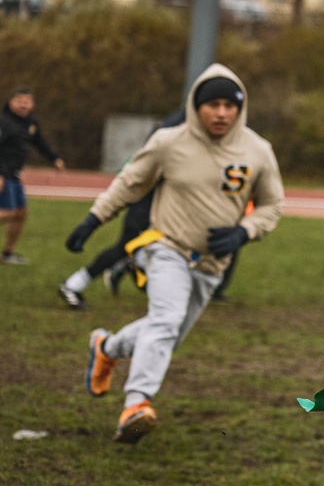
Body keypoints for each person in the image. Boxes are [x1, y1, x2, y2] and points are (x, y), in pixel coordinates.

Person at [64, 64, 284, 443]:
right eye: (211, 104)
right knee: (164, 321)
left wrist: (242, 233)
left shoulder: (258, 150)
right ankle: (135, 404)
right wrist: (92, 219)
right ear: (195, 106)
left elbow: (272, 206)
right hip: (165, 248)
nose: (220, 113)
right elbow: (129, 184)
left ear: (240, 108)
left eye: (229, 105)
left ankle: (107, 347)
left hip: (213, 264)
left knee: (167, 335)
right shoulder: (169, 142)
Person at [58, 109, 185, 309]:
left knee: (152, 250)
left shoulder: (185, 127)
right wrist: (92, 221)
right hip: (148, 203)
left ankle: (128, 268)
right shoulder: (173, 130)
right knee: (126, 247)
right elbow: (137, 176)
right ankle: (74, 284)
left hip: (161, 205)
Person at [0, 87, 65, 265]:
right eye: (19, 100)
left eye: (27, 101)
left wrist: (54, 158)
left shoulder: (30, 123)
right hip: (4, 174)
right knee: (7, 212)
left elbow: (39, 142)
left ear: (32, 104)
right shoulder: (4, 123)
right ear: (10, 102)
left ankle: (7, 254)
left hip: (15, 174)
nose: (23, 104)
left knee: (21, 213)